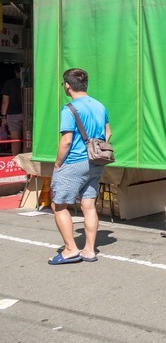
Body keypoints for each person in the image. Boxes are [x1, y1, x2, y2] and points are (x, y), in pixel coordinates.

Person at [48, 68, 111, 265]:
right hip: (97, 160)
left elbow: (66, 141)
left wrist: (58, 163)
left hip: (75, 161)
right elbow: (107, 134)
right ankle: (89, 250)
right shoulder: (100, 106)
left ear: (67, 86)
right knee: (89, 205)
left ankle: (70, 249)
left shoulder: (70, 108)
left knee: (58, 205)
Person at [1, 65, 23, 156]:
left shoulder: (8, 83)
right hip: (28, 113)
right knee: (29, 137)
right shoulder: (30, 83)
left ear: (15, 72)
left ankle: (16, 160)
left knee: (15, 139)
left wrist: (3, 116)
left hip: (13, 114)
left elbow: (5, 101)